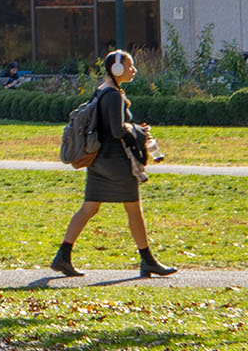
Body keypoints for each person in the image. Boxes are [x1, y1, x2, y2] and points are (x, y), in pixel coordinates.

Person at [52, 50, 178, 278]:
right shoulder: (114, 96)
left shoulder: (100, 91)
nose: (134, 70)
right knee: (134, 209)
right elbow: (117, 130)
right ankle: (147, 260)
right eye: (130, 66)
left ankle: (63, 255)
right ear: (117, 69)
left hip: (98, 160)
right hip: (115, 161)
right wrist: (140, 131)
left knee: (90, 207)